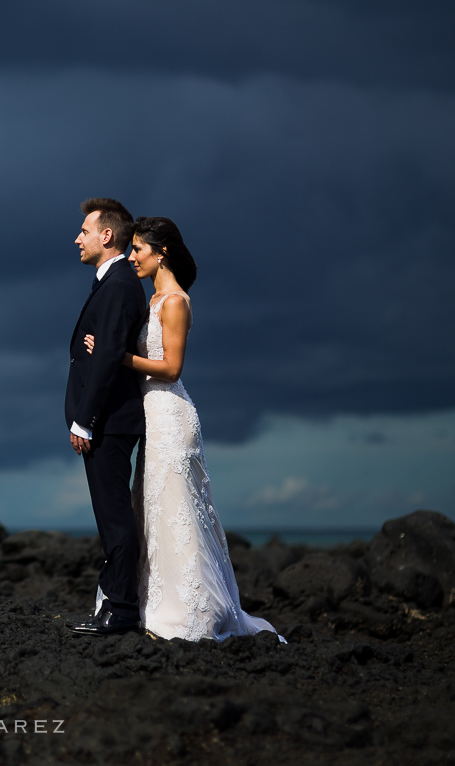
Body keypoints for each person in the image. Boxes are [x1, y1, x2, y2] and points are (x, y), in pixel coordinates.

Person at [84, 216, 282, 642]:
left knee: (177, 508)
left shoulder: (174, 301)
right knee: (153, 508)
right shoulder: (150, 299)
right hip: (150, 415)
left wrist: (117, 358)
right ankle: (152, 598)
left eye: (137, 249)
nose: (131, 255)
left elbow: (172, 369)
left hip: (172, 416)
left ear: (162, 252)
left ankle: (192, 608)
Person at [63, 198, 147, 636]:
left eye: (84, 230)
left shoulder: (117, 285)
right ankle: (112, 605)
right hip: (108, 419)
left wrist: (85, 419)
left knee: (115, 516)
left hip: (109, 421)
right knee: (111, 515)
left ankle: (122, 610)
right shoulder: (111, 283)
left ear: (106, 235)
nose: (77, 238)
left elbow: (110, 354)